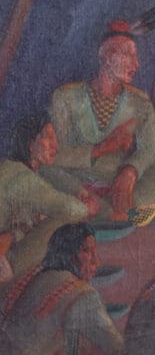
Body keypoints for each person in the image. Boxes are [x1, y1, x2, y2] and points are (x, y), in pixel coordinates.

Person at [41, 19, 155, 223]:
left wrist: (129, 173)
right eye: (129, 56)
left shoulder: (140, 102)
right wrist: (101, 149)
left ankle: (118, 208)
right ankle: (112, 214)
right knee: (45, 167)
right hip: (76, 180)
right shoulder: (65, 97)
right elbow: (56, 155)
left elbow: (152, 150)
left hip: (117, 182)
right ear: (108, 57)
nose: (136, 65)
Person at [0, 223, 121, 355]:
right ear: (71, 255)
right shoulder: (82, 295)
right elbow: (117, 350)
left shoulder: (37, 276)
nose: (96, 261)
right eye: (87, 251)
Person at [0, 117, 90, 281]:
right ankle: (11, 268)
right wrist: (85, 206)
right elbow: (72, 210)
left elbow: (55, 176)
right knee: (60, 220)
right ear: (31, 144)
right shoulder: (21, 177)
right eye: (48, 138)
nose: (56, 146)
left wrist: (15, 234)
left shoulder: (11, 168)